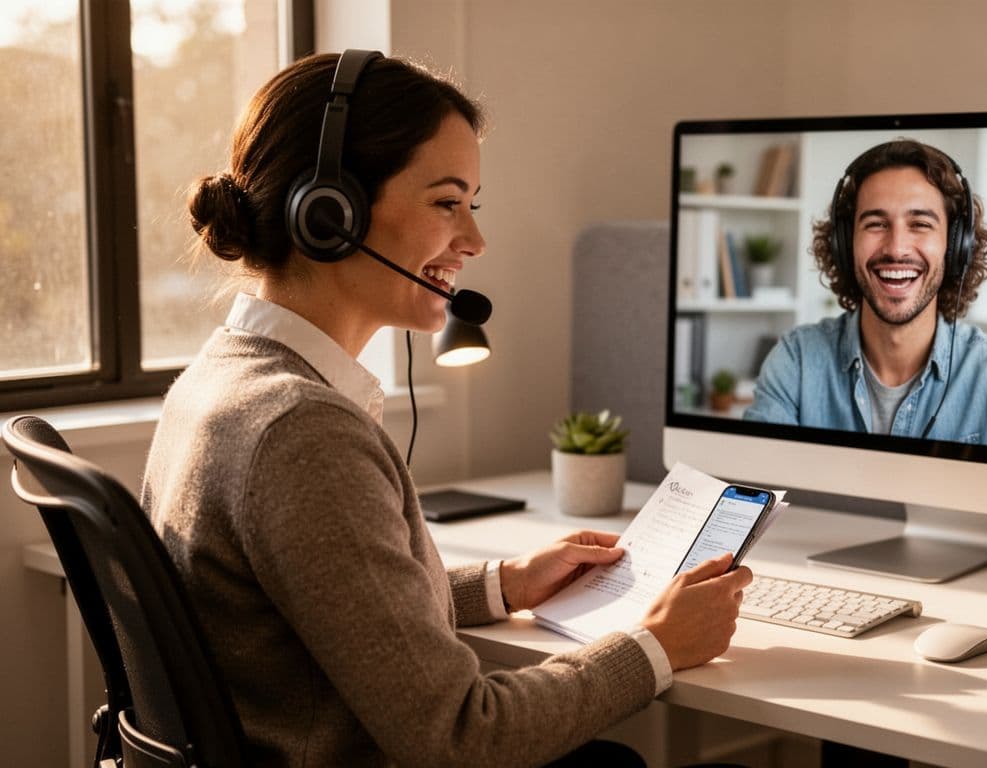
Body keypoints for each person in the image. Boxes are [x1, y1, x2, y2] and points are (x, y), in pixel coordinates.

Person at [142, 51, 751, 767]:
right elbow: (462, 736)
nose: (475, 241)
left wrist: (504, 584)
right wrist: (655, 647)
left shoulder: (222, 379)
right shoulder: (301, 433)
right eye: (446, 202)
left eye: (473, 204)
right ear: (330, 213)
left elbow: (337, 612)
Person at [743, 139, 987, 451]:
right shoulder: (795, 362)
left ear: (956, 247)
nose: (896, 248)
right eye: (876, 224)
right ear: (844, 244)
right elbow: (754, 486)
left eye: (920, 224)